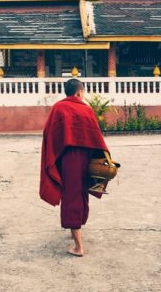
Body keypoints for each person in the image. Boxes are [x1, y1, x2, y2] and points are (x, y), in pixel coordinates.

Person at [40, 78, 109, 257]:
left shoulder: (59, 108)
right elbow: (97, 137)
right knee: (80, 194)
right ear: (79, 92)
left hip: (68, 158)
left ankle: (79, 247)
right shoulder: (87, 110)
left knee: (71, 196)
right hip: (86, 158)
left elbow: (49, 133)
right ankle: (75, 233)